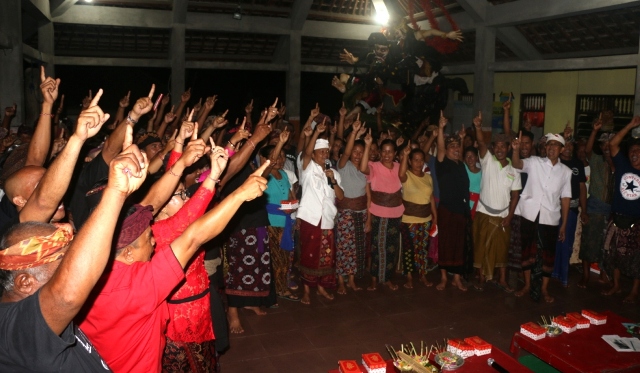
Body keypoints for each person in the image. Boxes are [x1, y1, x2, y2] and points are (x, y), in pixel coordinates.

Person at [0, 91, 146, 371]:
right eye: (58, 254)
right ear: (25, 283)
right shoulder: (13, 332)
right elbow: (66, 295)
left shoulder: (19, 239)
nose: (70, 259)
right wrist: (116, 191)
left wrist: (78, 138)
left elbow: (43, 199)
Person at [511, 132, 572, 303]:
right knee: (527, 251)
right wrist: (515, 150)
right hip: (529, 214)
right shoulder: (535, 162)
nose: (551, 148)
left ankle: (544, 289)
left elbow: (566, 198)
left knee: (548, 254)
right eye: (549, 145)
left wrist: (563, 224)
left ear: (561, 149)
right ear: (545, 147)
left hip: (550, 217)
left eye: (555, 145)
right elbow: (517, 164)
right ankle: (527, 285)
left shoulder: (566, 172)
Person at [471, 112, 521, 291]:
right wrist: (478, 127)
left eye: (503, 146)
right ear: (493, 148)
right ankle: (482, 279)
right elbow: (482, 143)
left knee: (502, 249)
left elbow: (515, 196)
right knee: (482, 247)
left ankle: (502, 280)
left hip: (503, 215)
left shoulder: (514, 169)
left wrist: (510, 215)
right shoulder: (487, 161)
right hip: (484, 212)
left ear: (508, 148)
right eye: (497, 146)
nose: (499, 149)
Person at [298, 119, 344, 304]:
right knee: (308, 254)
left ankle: (322, 287)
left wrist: (332, 180)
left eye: (326, 151)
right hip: (310, 218)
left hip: (327, 220)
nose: (325, 154)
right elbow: (306, 153)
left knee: (326, 256)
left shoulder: (333, 172)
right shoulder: (307, 169)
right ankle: (307, 291)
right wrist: (316, 132)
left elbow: (340, 196)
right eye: (321, 152)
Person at [602, 116, 640, 304]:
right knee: (614, 254)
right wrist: (631, 125)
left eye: (639, 151)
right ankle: (616, 284)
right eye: (632, 151)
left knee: (636, 259)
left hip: (636, 221)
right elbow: (613, 143)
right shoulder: (623, 165)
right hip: (617, 218)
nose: (635, 154)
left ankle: (634, 290)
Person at [360, 130, 403, 291]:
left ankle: (386, 278)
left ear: (395, 153)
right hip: (379, 212)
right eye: (383, 151)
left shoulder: (399, 167)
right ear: (379, 152)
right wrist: (367, 145)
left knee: (391, 247)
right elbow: (363, 167)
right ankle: (374, 278)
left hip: (396, 212)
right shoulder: (374, 166)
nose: (386, 154)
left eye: (390, 151)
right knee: (377, 247)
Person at [260, 129, 299, 302]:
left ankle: (281, 288)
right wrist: (280, 143)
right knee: (273, 259)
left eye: (283, 156)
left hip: (285, 221)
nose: (281, 160)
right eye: (278, 156)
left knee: (283, 258)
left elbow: (291, 197)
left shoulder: (284, 175)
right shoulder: (265, 176)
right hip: (271, 222)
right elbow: (268, 165)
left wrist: (292, 209)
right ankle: (273, 292)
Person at [435, 111, 470, 291]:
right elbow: (440, 147)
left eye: (457, 147)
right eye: (452, 147)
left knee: (459, 245)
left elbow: (460, 151)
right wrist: (441, 128)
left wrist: (461, 141)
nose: (455, 149)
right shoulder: (442, 163)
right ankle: (443, 278)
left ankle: (457, 278)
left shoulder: (460, 164)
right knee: (446, 243)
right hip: (447, 209)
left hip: (462, 209)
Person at [579, 120, 615, 288]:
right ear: (600, 147)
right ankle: (585, 276)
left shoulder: (620, 163)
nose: (607, 148)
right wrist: (594, 131)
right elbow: (587, 151)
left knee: (607, 246)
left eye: (610, 145)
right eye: (604, 145)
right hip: (594, 207)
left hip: (612, 210)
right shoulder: (597, 160)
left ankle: (604, 274)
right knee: (588, 243)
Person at [336, 120, 368, 294]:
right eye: (355, 151)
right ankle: (341, 280)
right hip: (346, 214)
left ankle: (351, 279)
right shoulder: (343, 166)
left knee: (356, 248)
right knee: (343, 248)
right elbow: (346, 152)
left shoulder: (365, 170)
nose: (357, 155)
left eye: (361, 152)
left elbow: (367, 194)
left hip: (360, 214)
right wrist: (354, 133)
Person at [398, 145, 437, 289]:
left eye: (421, 160)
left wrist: (435, 217)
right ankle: (409, 277)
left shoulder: (428, 177)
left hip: (425, 219)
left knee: (422, 249)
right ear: (410, 161)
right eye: (415, 160)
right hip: (408, 220)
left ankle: (422, 274)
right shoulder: (407, 175)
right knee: (409, 250)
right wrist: (405, 155)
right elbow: (400, 175)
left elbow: (431, 198)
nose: (419, 163)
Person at [553, 133, 587, 287]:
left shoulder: (577, 164)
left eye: (571, 145)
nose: (568, 148)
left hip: (572, 208)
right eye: (565, 145)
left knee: (566, 241)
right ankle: (551, 271)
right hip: (554, 208)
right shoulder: (554, 161)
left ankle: (563, 274)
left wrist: (584, 210)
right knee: (553, 241)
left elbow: (582, 188)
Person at [463, 146, 481, 219]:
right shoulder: (463, 168)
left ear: (476, 157)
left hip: (478, 203)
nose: (469, 158)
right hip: (465, 200)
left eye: (472, 156)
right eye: (467, 156)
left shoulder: (482, 172)